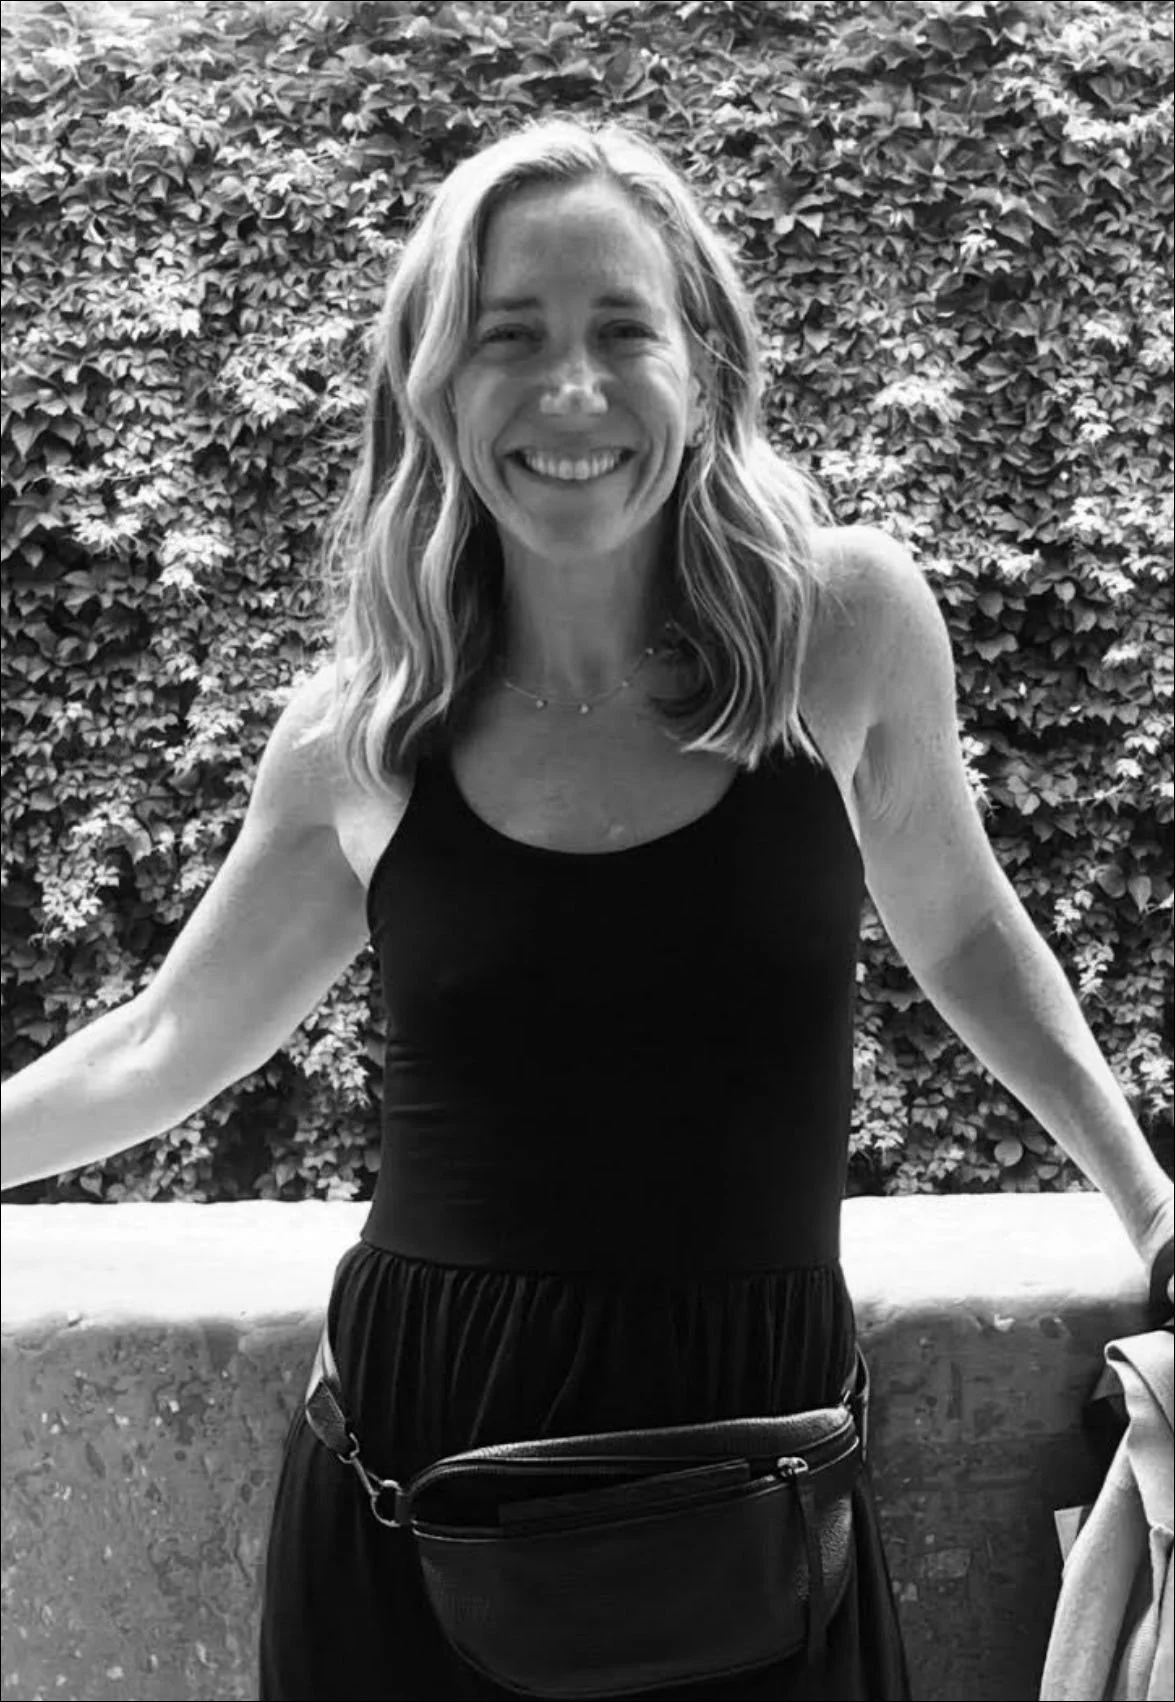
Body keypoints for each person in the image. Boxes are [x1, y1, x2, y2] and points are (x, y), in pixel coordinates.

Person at [3, 114, 1172, 1701]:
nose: (570, 392)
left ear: (705, 364)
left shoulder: (842, 629)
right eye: (508, 339)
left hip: (749, 1499)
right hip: (415, 1493)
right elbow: (157, 1045)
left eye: (622, 329)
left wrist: (1150, 1199)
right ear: (434, 384)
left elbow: (962, 928)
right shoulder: (365, 733)